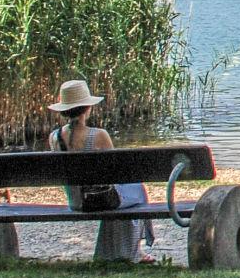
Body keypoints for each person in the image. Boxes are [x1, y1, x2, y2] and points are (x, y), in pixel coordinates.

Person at [48, 78, 160, 263]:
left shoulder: (54, 137)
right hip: (100, 201)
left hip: (75, 202)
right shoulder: (99, 135)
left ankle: (114, 251)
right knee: (137, 190)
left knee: (125, 194)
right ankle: (135, 251)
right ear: (87, 108)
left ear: (64, 110)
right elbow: (116, 171)